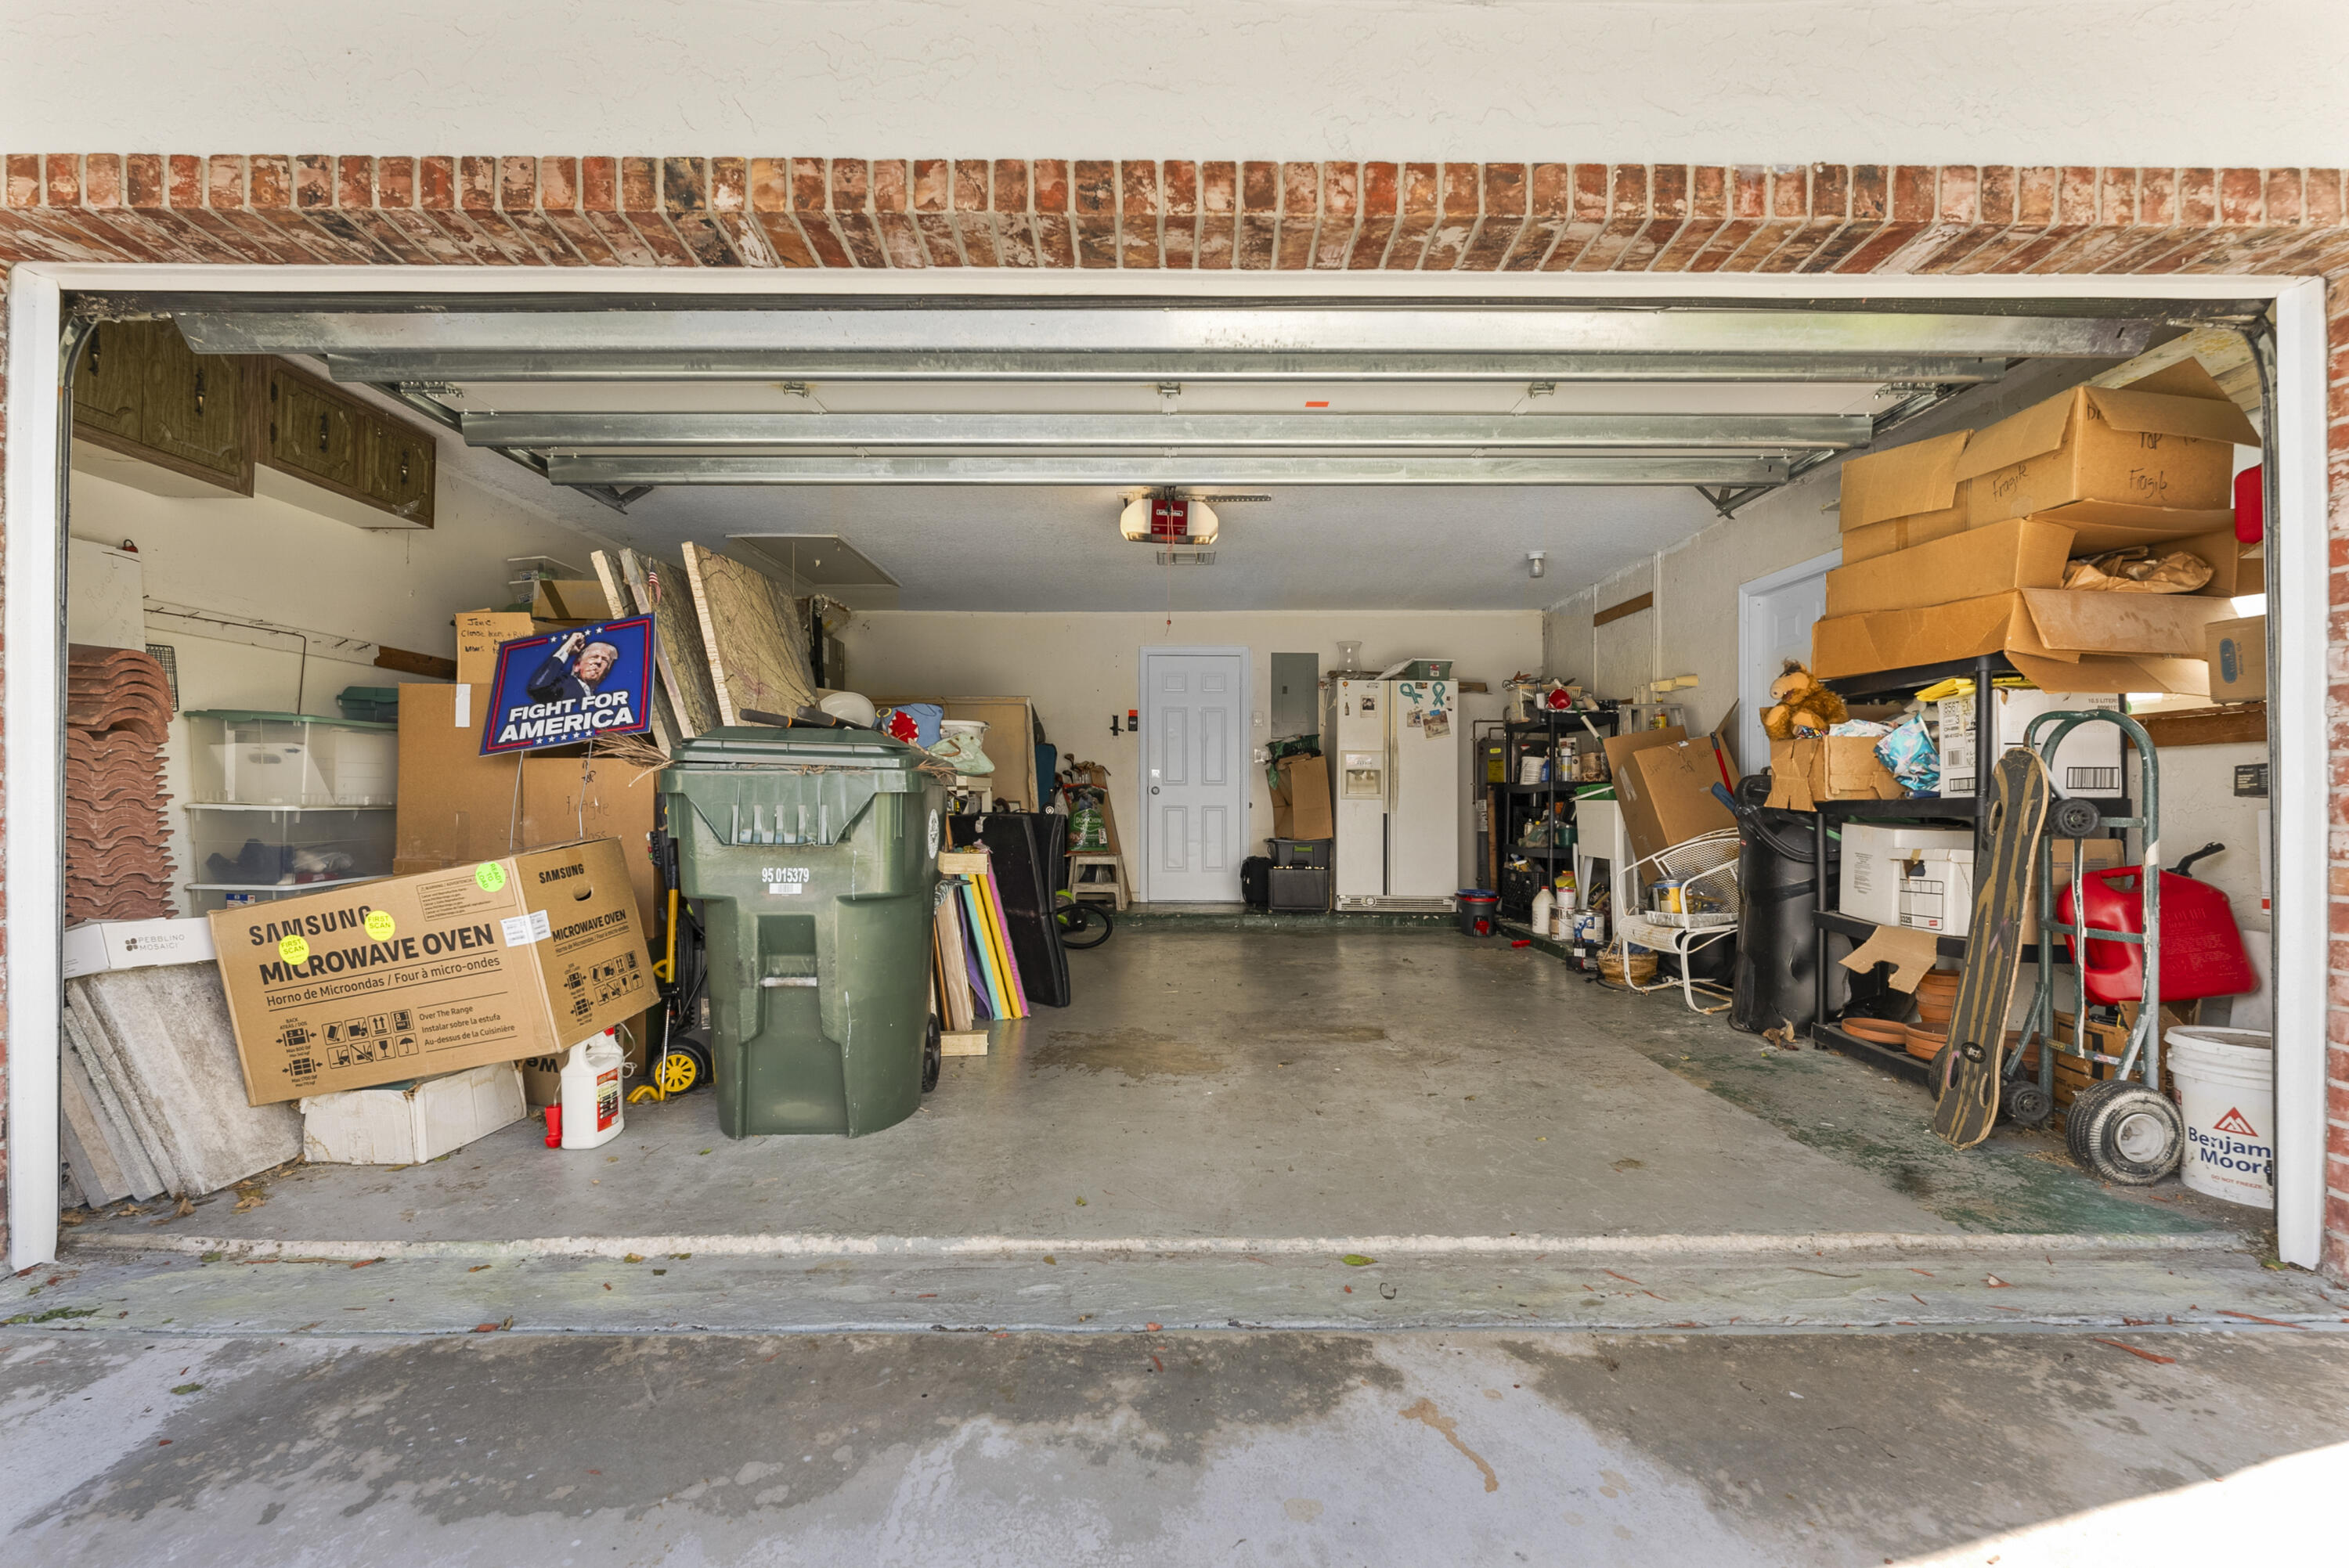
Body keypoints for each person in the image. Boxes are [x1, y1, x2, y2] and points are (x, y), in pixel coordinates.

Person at [526, 632, 621, 707]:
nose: (599, 662)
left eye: (605, 660)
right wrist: (567, 648)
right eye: (593, 657)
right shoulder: (565, 682)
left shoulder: (598, 701)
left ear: (606, 673)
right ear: (577, 666)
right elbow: (537, 687)